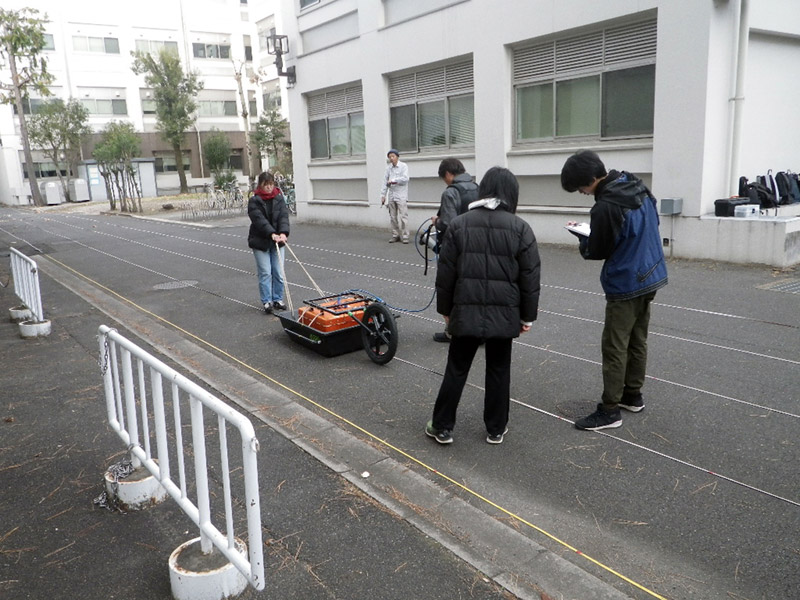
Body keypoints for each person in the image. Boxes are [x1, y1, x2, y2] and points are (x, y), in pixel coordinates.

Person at [425, 167, 541, 445]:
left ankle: (441, 426)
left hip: (465, 311)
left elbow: (446, 274)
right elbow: (530, 277)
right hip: (504, 314)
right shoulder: (521, 228)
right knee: (499, 370)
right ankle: (496, 428)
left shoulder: (459, 224)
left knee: (457, 367)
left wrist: (446, 310)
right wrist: (527, 316)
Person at [560, 150, 668, 431]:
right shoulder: (636, 185)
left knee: (615, 345)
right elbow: (652, 223)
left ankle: (610, 409)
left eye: (581, 186)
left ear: (592, 178)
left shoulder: (606, 206)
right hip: (652, 271)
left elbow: (599, 249)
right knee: (638, 338)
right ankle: (633, 395)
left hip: (626, 280)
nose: (582, 192)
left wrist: (582, 239)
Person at [431, 158, 479, 343]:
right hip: (478, 246)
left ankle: (453, 331)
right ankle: (476, 331)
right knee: (473, 289)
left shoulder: (451, 192)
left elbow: (450, 223)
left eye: (444, 178)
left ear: (448, 174)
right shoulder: (477, 187)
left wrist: (437, 221)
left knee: (450, 290)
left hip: (456, 249)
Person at [248, 171, 290, 314]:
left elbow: (284, 216)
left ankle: (278, 299)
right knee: (265, 272)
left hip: (278, 241)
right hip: (260, 241)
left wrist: (283, 232)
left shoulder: (279, 198)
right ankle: (267, 301)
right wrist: (271, 233)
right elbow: (259, 220)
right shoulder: (254, 201)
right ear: (260, 185)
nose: (269, 188)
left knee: (278, 272)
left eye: (271, 184)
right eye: (266, 185)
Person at [380, 149, 409, 243]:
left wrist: (393, 180)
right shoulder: (388, 168)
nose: (391, 158)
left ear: (397, 156)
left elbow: (405, 179)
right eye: (390, 157)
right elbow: (385, 182)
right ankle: (395, 234)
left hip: (401, 195)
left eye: (393, 156)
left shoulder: (403, 166)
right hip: (392, 195)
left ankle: (405, 236)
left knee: (403, 216)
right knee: (393, 216)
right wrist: (383, 195)